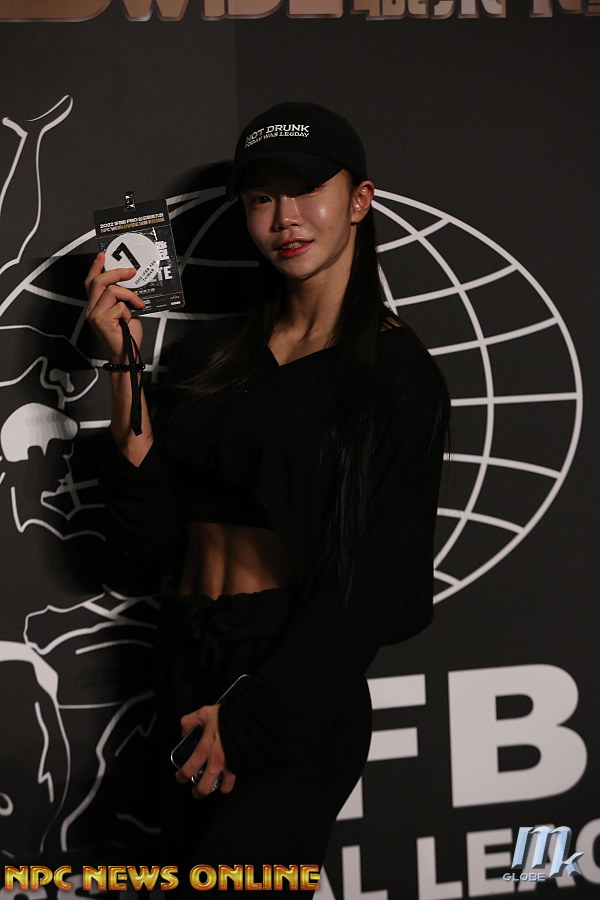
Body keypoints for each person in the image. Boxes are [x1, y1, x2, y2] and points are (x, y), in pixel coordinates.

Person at [85, 101, 450, 889]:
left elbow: (373, 589)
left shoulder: (398, 377)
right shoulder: (213, 356)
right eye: (261, 197)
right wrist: (124, 364)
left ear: (360, 200)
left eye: (308, 189)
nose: (285, 217)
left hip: (286, 686)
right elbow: (149, 538)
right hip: (186, 662)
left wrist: (250, 717)